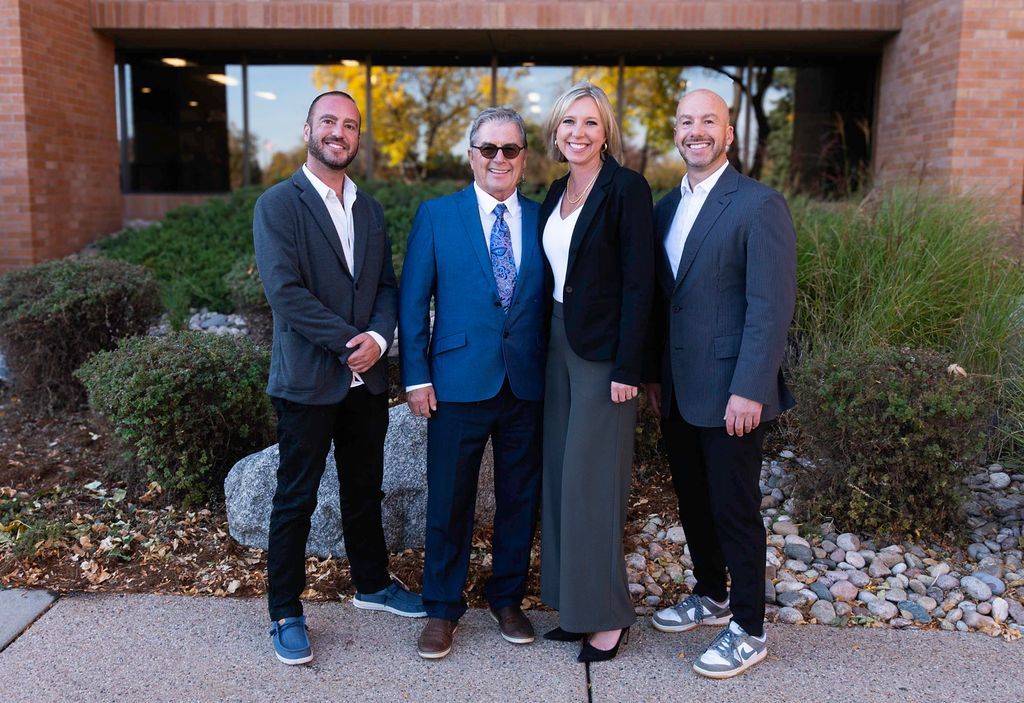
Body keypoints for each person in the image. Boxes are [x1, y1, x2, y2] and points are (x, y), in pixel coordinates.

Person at [253, 91, 425, 666]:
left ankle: (372, 584)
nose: (339, 132)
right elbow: (285, 293)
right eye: (329, 121)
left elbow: (383, 286)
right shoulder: (279, 204)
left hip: (366, 381)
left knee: (363, 490)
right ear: (307, 129)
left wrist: (378, 340)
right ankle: (285, 610)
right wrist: (347, 343)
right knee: (295, 498)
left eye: (350, 126)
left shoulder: (370, 210)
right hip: (308, 379)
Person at [644, 89, 796, 679]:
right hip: (679, 388)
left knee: (734, 508)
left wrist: (751, 387)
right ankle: (711, 594)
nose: (696, 131)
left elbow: (769, 305)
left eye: (709, 121)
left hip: (732, 388)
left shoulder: (759, 205)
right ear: (677, 134)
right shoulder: (665, 207)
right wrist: (655, 376)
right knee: (692, 501)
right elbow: (665, 303)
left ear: (729, 135)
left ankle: (749, 629)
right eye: (686, 122)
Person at [399, 107, 546, 660]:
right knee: (450, 500)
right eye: (489, 149)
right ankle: (440, 608)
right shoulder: (437, 216)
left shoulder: (543, 217)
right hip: (455, 383)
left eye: (510, 149)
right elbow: (414, 303)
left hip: (527, 383)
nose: (500, 159)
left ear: (524, 157)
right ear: (471, 155)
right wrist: (416, 377)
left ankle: (507, 597)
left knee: (518, 499)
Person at [537, 82, 655, 663]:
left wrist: (630, 365)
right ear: (555, 133)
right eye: (568, 123)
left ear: (605, 130)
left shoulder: (626, 190)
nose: (577, 133)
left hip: (604, 354)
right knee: (559, 476)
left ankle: (607, 616)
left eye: (589, 123)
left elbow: (641, 283)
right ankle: (570, 605)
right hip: (556, 343)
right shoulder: (554, 193)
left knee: (593, 480)